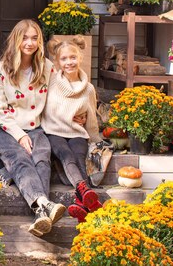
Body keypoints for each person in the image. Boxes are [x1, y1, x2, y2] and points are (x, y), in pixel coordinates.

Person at [0, 19, 66, 237]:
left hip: (36, 128)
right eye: (25, 37)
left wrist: (77, 113)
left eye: (34, 38)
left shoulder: (47, 68)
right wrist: (21, 136)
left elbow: (62, 95)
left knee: (42, 158)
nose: (29, 43)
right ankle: (44, 203)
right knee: (21, 159)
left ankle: (41, 215)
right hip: (4, 130)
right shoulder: (1, 70)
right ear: (16, 39)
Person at [41, 36, 103, 223]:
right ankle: (85, 193)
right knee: (66, 156)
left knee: (78, 157)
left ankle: (81, 202)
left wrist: (95, 140)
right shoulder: (51, 82)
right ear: (57, 62)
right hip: (53, 132)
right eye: (64, 59)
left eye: (73, 57)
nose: (69, 62)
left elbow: (91, 116)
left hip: (77, 132)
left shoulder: (88, 89)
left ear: (80, 58)